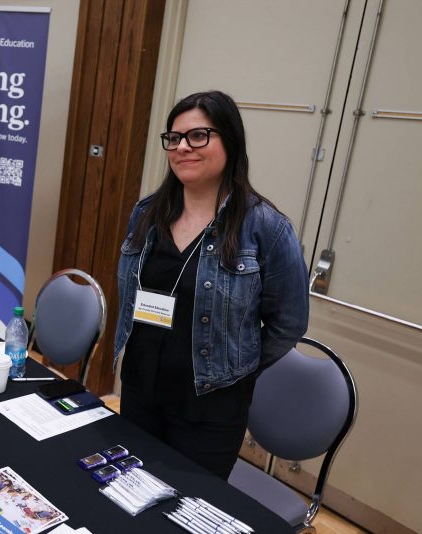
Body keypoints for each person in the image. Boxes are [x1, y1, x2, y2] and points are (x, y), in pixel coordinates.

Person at [114, 90, 309, 480]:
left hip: (209, 408)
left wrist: (235, 368)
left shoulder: (266, 228)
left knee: (187, 511)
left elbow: (289, 323)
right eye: (174, 138)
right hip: (139, 392)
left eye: (199, 135)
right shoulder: (147, 213)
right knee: (126, 500)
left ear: (230, 142)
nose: (183, 147)